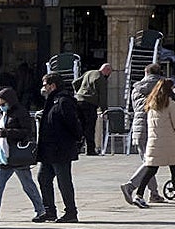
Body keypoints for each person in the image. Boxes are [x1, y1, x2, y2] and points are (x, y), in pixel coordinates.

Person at [0, 87, 45, 222]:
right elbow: (1, 132)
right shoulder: (5, 114)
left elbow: (26, 131)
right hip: (5, 155)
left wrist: (8, 133)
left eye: (2, 104)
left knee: (27, 185)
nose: (1, 107)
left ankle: (41, 210)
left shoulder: (20, 112)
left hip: (17, 154)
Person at [35, 72, 83, 222]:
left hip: (60, 149)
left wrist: (77, 139)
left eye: (45, 85)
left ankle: (71, 212)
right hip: (49, 150)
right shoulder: (52, 100)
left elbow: (73, 123)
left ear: (52, 85)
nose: (43, 88)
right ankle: (49, 211)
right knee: (43, 177)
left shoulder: (63, 101)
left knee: (64, 181)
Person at [120, 63, 167, 205]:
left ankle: (154, 193)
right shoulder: (162, 87)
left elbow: (136, 108)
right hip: (155, 127)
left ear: (145, 73)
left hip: (138, 127)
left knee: (148, 161)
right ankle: (131, 186)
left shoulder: (136, 88)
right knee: (151, 162)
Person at [129, 77, 175, 208]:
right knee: (174, 168)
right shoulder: (170, 103)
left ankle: (138, 195)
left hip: (154, 141)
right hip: (169, 142)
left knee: (151, 170)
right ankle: (138, 194)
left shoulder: (151, 103)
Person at [73, 63, 112, 156]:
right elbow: (103, 95)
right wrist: (104, 109)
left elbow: (75, 82)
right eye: (109, 72)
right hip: (90, 103)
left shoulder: (88, 73)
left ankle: (77, 148)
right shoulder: (101, 78)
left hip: (78, 101)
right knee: (89, 127)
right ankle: (90, 150)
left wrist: (79, 93)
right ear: (106, 71)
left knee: (80, 126)